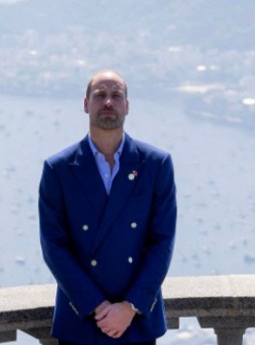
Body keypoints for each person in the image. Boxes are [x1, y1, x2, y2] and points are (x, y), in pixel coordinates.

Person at [39, 70, 177, 345]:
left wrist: (130, 306)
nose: (108, 102)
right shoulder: (59, 169)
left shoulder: (156, 164)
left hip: (136, 320)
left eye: (116, 95)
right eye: (100, 95)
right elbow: (54, 246)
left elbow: (162, 241)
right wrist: (97, 306)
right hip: (81, 319)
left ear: (127, 105)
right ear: (86, 104)